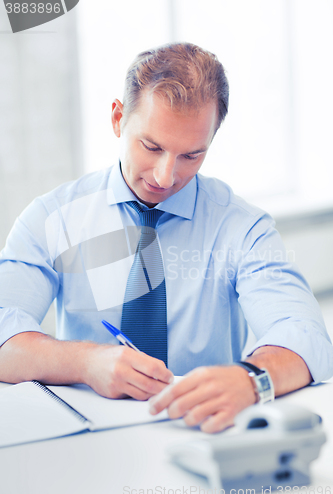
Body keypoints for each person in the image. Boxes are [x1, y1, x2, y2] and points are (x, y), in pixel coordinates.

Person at [0, 43, 332, 434]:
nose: (165, 176)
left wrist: (251, 379)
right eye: (151, 146)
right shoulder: (51, 217)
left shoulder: (243, 227)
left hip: (202, 433)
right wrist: (85, 363)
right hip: (86, 442)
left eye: (191, 155)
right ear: (118, 119)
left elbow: (306, 337)